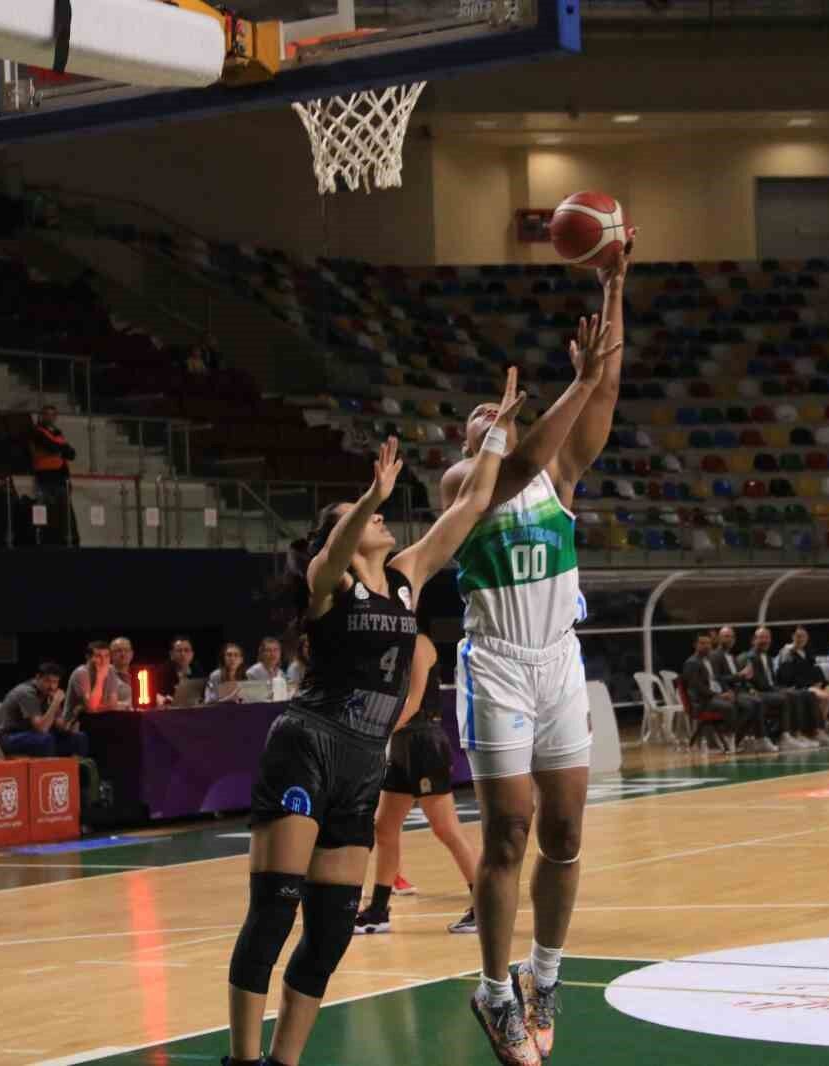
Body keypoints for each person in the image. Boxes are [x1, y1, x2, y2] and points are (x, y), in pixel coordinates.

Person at [224, 370, 524, 1066]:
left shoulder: (408, 577)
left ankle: (283, 1061)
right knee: (274, 911)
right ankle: (242, 1060)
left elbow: (474, 501)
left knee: (328, 932)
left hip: (364, 760)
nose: (386, 522)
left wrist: (499, 430)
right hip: (307, 746)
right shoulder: (327, 582)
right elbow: (331, 553)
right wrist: (366, 499)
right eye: (366, 520)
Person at [450, 233, 631, 1066]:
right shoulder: (465, 487)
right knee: (507, 834)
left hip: (557, 660)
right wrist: (577, 381)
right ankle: (493, 992)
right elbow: (515, 461)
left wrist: (615, 286)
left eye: (497, 409)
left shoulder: (557, 480)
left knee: (564, 831)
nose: (494, 413)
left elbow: (596, 412)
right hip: (496, 668)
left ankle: (544, 974)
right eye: (479, 415)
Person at [354, 626, 480, 937]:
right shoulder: (387, 648)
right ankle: (378, 911)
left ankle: (485, 905)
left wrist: (375, 732)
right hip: (401, 744)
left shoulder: (420, 643)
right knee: (384, 827)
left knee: (446, 829)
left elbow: (412, 701)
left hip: (423, 740)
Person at [742, 627, 829, 750]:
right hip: (760, 692)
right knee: (790, 696)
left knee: (805, 694)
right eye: (761, 637)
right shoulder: (750, 657)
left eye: (767, 637)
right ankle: (786, 736)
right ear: (754, 640)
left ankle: (811, 732)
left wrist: (782, 688)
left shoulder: (767, 657)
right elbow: (748, 681)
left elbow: (772, 680)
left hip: (772, 689)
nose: (765, 640)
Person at [0, 664, 90, 758]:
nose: (51, 686)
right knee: (46, 739)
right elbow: (42, 729)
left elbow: (62, 727)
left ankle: (76, 773)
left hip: (31, 734)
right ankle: (51, 774)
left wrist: (74, 712)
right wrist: (55, 702)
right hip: (9, 737)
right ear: (38, 678)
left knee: (78, 738)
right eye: (48, 681)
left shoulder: (48, 693)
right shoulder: (26, 693)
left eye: (55, 682)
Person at [709, 626, 777, 753]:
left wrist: (747, 683)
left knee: (757, 701)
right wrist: (739, 676)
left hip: (739, 690)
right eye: (726, 636)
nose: (729, 639)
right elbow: (717, 678)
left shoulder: (732, 656)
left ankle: (759, 739)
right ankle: (733, 737)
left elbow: (739, 677)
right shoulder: (715, 655)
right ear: (719, 638)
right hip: (727, 692)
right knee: (752, 705)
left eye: (731, 637)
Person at [776, 626, 829, 737]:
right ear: (793, 637)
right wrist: (812, 684)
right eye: (798, 636)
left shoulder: (807, 650)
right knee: (826, 698)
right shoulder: (787, 653)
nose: (801, 639)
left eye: (804, 636)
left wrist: (820, 681)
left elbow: (815, 669)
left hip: (816, 683)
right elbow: (788, 677)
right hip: (801, 686)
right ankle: (818, 731)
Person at [29, 404, 79, 545]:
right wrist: (61, 449)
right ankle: (44, 542)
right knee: (45, 513)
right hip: (44, 479)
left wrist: (59, 449)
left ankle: (64, 541)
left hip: (61, 478)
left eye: (52, 414)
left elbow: (71, 454)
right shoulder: (36, 431)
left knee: (63, 514)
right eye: (47, 414)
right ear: (42, 415)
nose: (50, 417)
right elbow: (51, 446)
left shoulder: (58, 433)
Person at [67, 641, 119, 715]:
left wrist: (94, 708)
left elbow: (113, 704)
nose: (103, 661)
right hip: (74, 723)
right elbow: (91, 708)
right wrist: (100, 677)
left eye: (107, 656)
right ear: (88, 657)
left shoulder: (110, 670)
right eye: (98, 656)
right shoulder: (81, 673)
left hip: (99, 719)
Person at [157, 636, 203, 706]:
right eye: (179, 651)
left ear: (192, 654)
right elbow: (158, 696)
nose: (183, 654)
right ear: (171, 655)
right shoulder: (162, 672)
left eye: (186, 650)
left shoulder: (198, 671)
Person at [108, 637, 138, 710]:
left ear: (132, 654)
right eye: (119, 651)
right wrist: (127, 705)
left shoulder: (139, 674)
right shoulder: (104, 674)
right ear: (110, 655)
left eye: (126, 650)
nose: (123, 654)